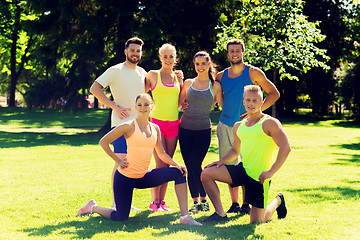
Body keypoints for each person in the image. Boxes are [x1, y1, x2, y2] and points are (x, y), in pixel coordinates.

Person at [77, 94, 202, 226]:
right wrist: (118, 160)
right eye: (140, 105)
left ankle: (185, 218)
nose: (143, 108)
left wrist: (177, 164)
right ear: (135, 107)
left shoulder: (155, 128)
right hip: (125, 178)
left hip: (143, 176)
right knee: (121, 217)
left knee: (179, 173)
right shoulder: (128, 126)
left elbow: (162, 154)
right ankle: (93, 207)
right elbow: (103, 142)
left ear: (152, 106)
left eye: (146, 104)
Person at [201, 85, 290, 224]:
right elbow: (235, 151)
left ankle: (278, 201)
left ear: (261, 103)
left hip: (260, 177)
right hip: (242, 170)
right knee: (206, 173)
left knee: (257, 221)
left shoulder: (269, 123)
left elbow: (286, 148)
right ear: (243, 102)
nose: (251, 103)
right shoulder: (239, 126)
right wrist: (221, 161)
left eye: (255, 100)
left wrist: (271, 172)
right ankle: (220, 214)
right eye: (248, 100)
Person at [216, 39, 280, 215]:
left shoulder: (253, 72)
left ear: (243, 53)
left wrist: (256, 111)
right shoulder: (220, 76)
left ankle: (247, 203)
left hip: (249, 127)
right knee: (229, 163)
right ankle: (235, 203)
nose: (234, 54)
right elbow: (214, 95)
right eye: (231, 51)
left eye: (238, 51)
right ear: (227, 54)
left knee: (248, 164)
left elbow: (274, 93)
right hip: (226, 125)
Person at [89, 37, 147, 211]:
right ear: (126, 51)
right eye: (132, 50)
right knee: (121, 161)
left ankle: (125, 203)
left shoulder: (142, 72)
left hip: (138, 126)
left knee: (131, 163)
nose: (135, 53)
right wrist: (114, 105)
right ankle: (116, 204)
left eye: (138, 51)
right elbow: (94, 88)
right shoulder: (115, 70)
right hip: (121, 123)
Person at [178, 51, 223, 213]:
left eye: (203, 63)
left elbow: (222, 106)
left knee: (196, 164)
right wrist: (182, 105)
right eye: (197, 64)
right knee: (190, 166)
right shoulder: (188, 83)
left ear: (209, 64)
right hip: (184, 131)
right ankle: (196, 202)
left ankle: (204, 200)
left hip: (203, 131)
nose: (200, 67)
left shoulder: (215, 86)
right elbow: (179, 103)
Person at [145, 43, 183, 212]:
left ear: (175, 58)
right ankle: (154, 202)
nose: (168, 59)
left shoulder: (177, 77)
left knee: (168, 163)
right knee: (159, 162)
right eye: (165, 56)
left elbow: (180, 102)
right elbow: (142, 96)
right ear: (160, 57)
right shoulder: (153, 75)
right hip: (157, 124)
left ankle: (162, 202)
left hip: (174, 123)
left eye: (171, 56)